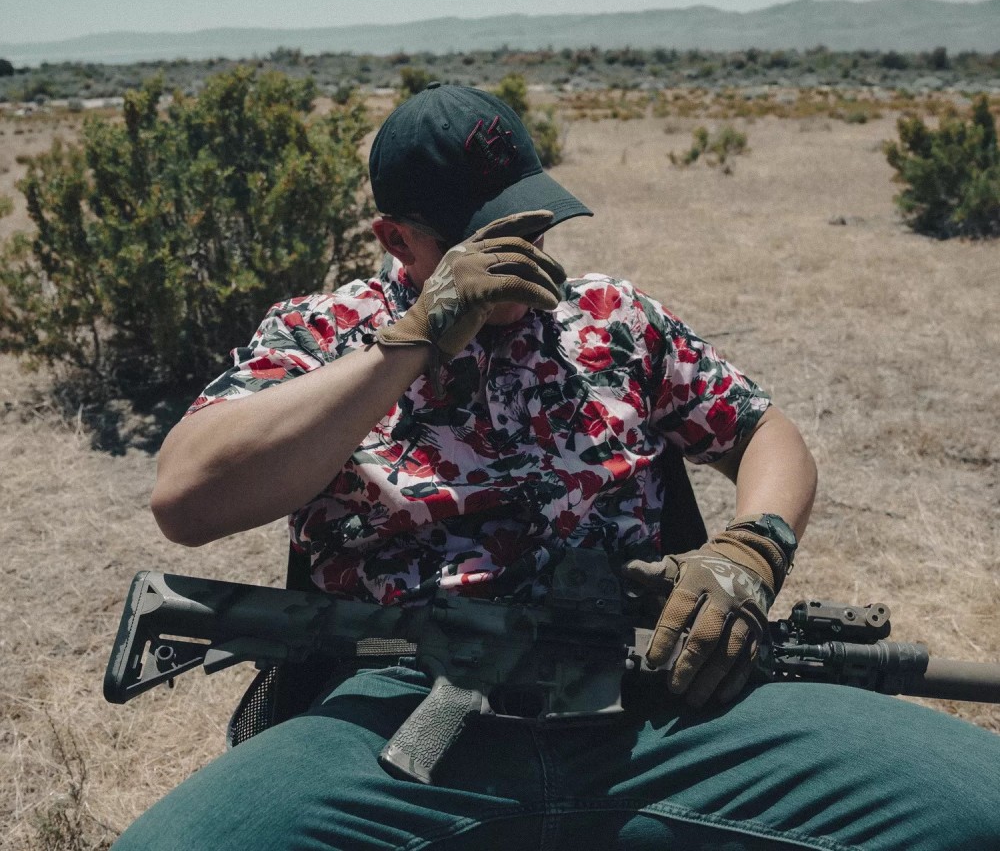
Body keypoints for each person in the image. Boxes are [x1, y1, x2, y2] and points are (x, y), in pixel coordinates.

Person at [114, 84, 1000, 850]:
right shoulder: (323, 333)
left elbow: (764, 431)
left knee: (975, 804)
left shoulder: (613, 319)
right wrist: (413, 340)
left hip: (652, 697)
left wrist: (750, 553)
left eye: (534, 226)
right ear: (396, 237)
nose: (525, 258)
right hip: (401, 707)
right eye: (487, 243)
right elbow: (187, 499)